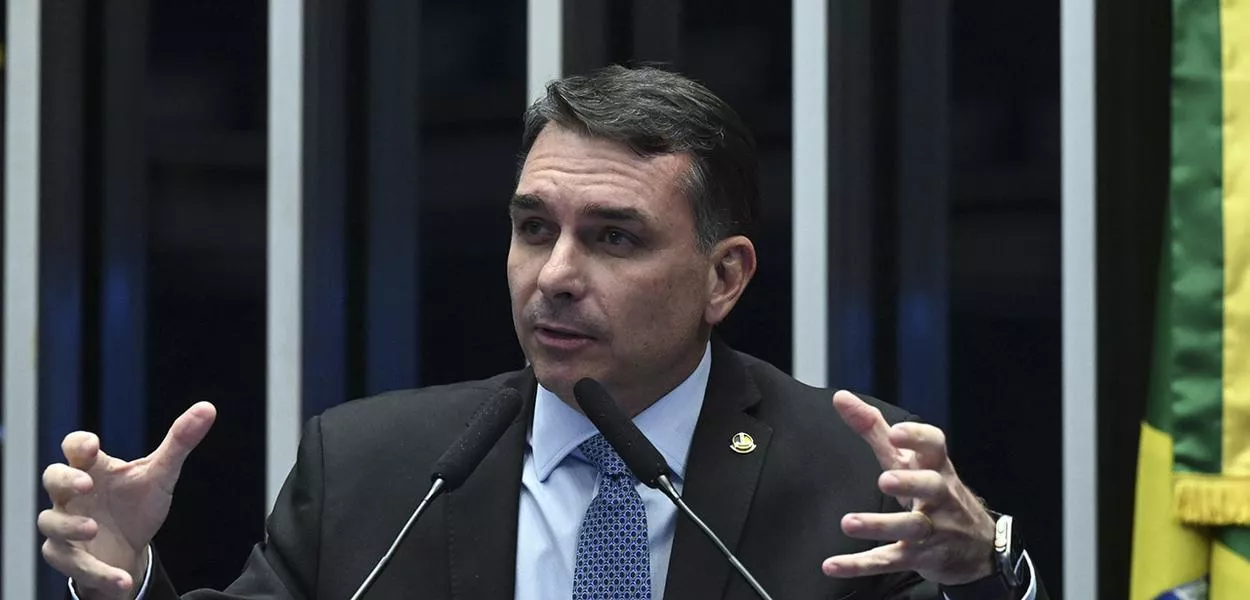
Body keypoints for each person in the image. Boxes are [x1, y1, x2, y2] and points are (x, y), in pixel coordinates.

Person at [39, 65, 1045, 600]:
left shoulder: (851, 476)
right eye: (533, 229)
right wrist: (130, 583)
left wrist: (981, 577)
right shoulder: (375, 469)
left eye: (613, 237)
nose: (555, 275)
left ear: (724, 276)